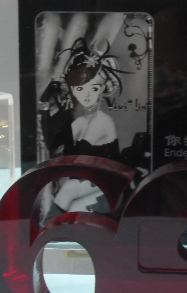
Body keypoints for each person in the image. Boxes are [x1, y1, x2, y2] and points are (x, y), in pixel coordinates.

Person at [39, 37, 124, 215]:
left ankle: (48, 228)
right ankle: (51, 228)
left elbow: (79, 161)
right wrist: (45, 104)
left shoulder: (103, 121)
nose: (86, 95)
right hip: (85, 185)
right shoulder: (79, 121)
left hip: (107, 185)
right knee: (69, 191)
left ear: (102, 88)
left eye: (94, 88)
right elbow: (51, 143)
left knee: (69, 188)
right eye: (80, 89)